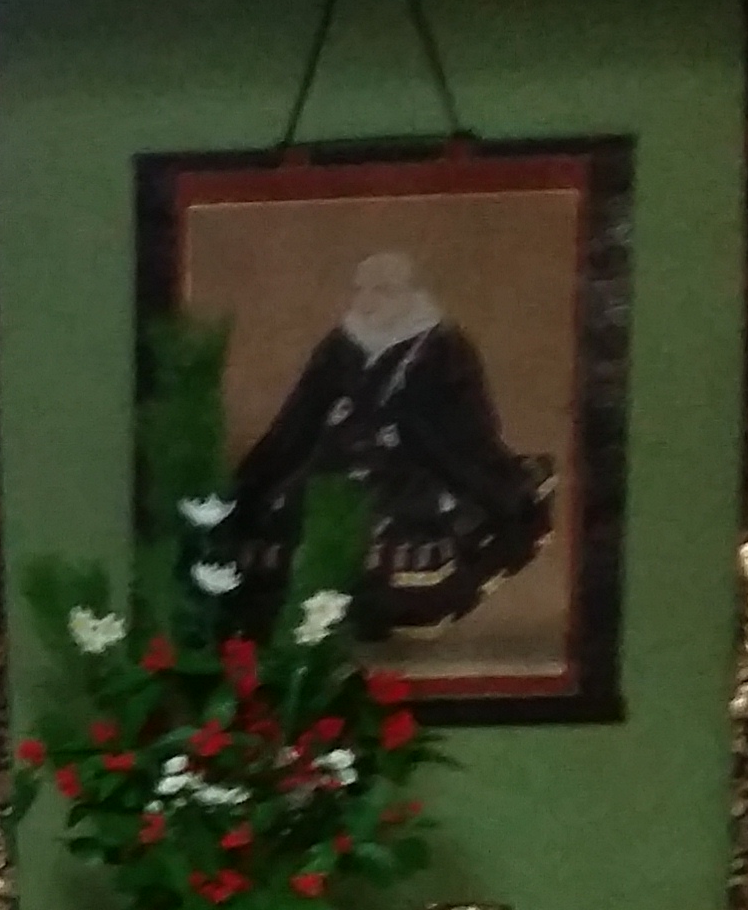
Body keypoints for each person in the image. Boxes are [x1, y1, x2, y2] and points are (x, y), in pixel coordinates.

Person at [225, 249, 551, 635]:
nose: (368, 301)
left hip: (422, 465)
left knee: (401, 530)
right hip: (342, 457)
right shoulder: (341, 344)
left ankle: (384, 611)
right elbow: (300, 418)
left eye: (382, 290)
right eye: (361, 289)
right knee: (289, 517)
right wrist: (252, 483)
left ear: (410, 293)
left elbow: (469, 425)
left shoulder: (444, 347)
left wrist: (405, 428)